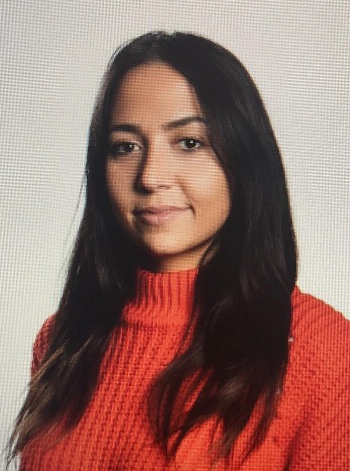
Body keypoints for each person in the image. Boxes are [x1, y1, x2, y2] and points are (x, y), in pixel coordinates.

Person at [8, 32, 350, 470]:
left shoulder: (319, 351)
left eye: (189, 143)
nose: (150, 176)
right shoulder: (62, 340)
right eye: (125, 147)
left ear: (244, 159)